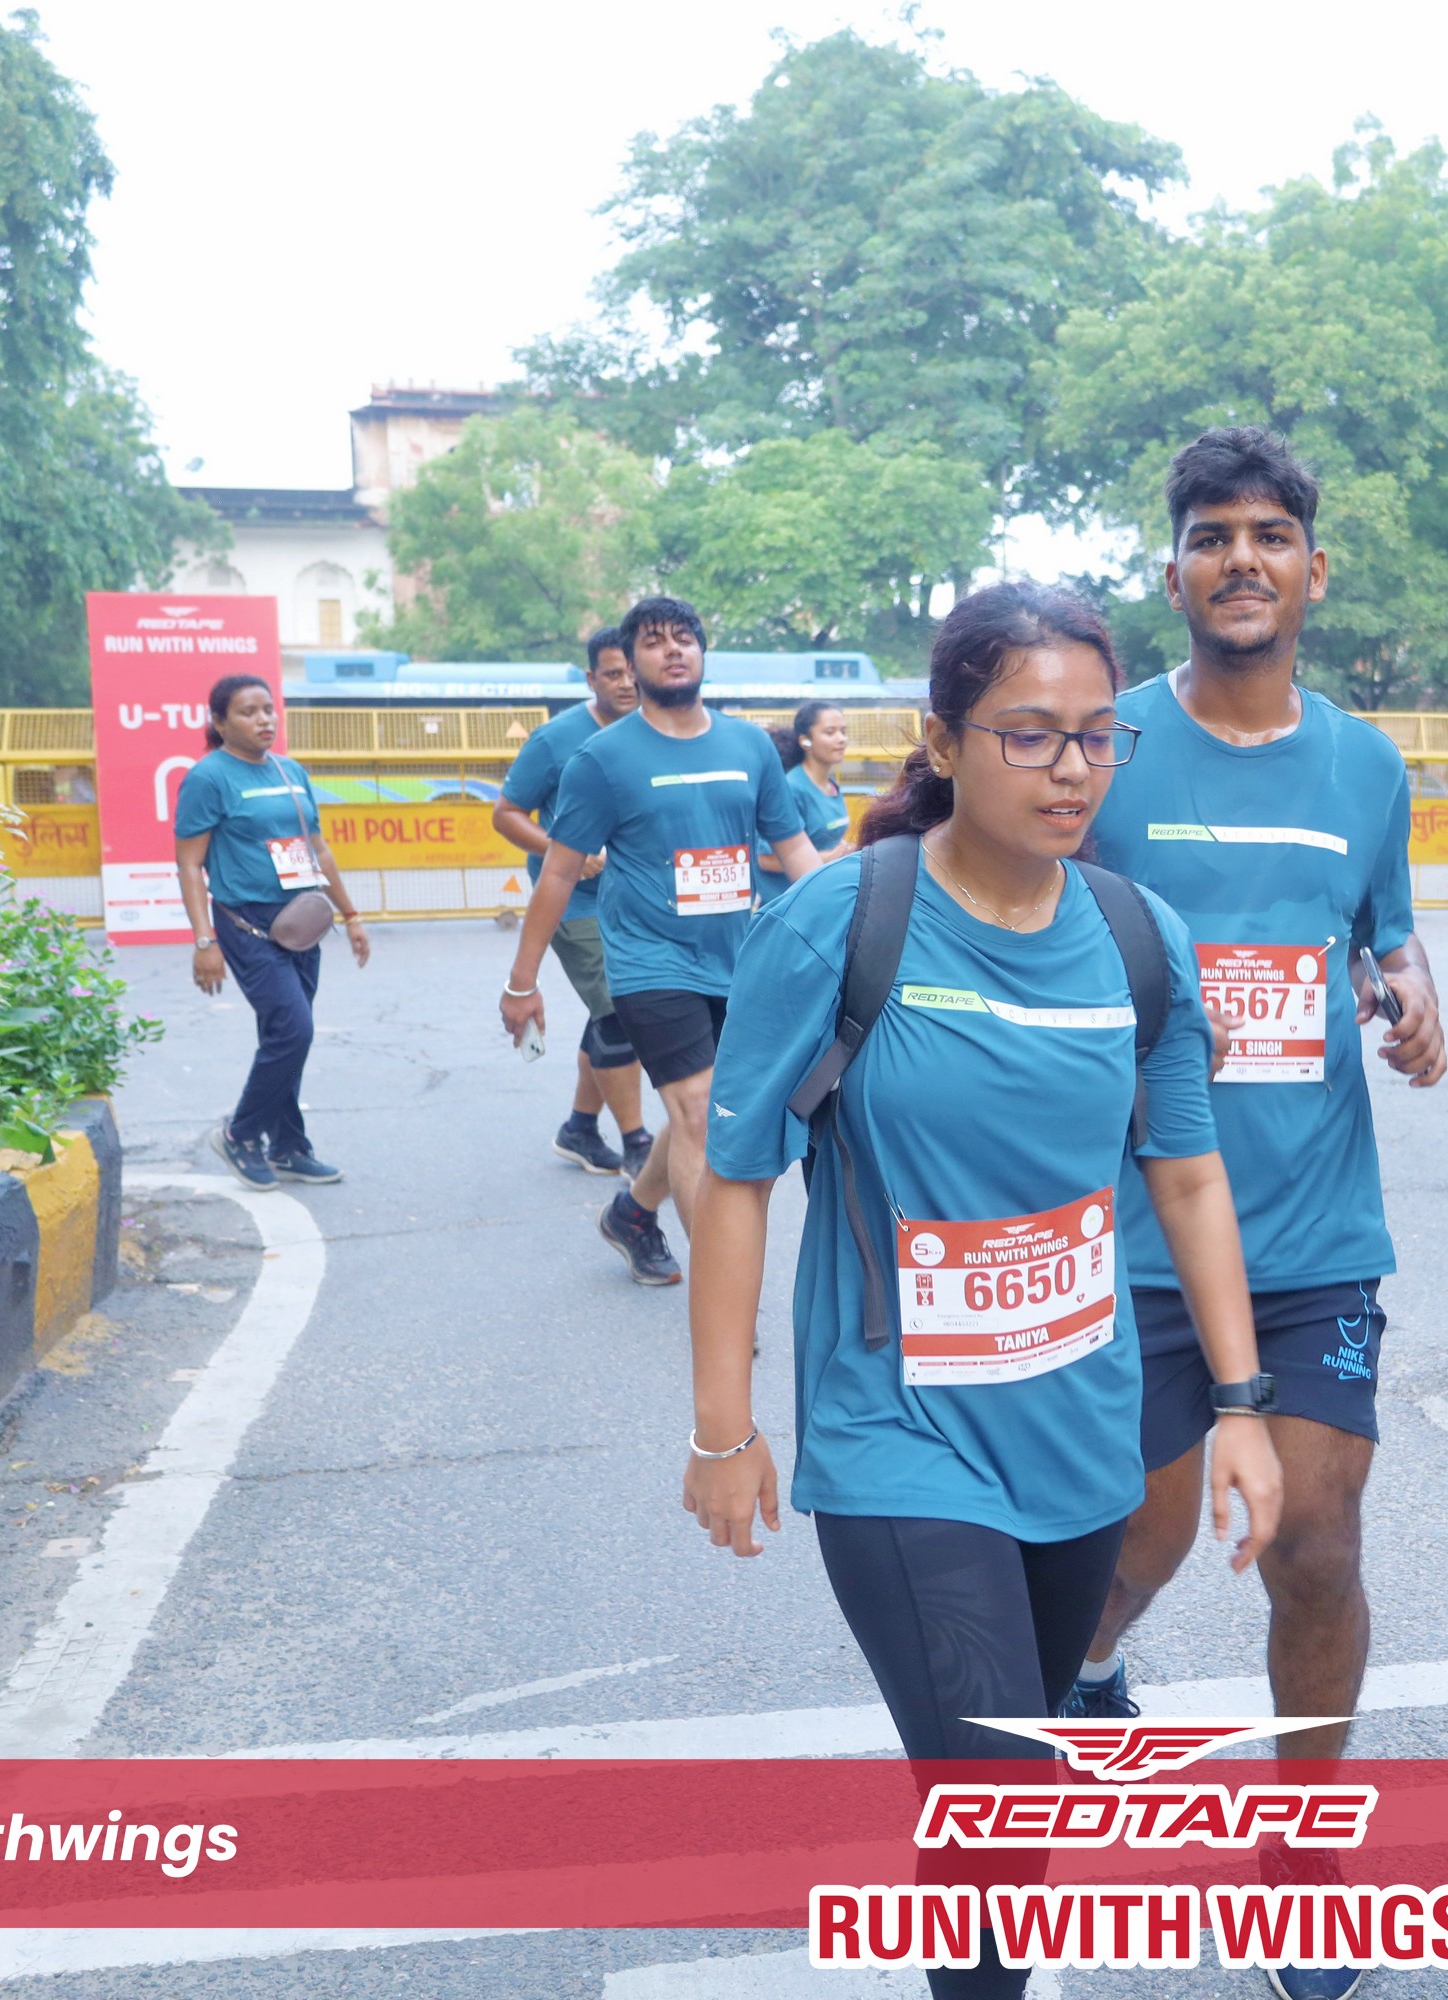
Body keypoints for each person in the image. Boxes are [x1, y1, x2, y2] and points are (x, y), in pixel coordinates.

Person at [685, 582, 1284, 2000]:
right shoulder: (843, 924)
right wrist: (723, 1427)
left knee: (1017, 1802)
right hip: (901, 1435)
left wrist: (1241, 1403)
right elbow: (737, 1175)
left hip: (1080, 1434)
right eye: (1029, 734)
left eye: (1097, 735)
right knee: (999, 1814)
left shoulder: (1137, 938)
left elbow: (1189, 1176)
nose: (1072, 768)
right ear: (946, 742)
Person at [498, 597, 820, 1286]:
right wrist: (521, 983)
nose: (672, 650)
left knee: (704, 1107)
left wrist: (848, 930)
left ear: (702, 653)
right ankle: (722, 1299)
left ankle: (633, 1213)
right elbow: (559, 873)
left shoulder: (749, 748)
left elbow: (795, 850)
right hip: (650, 962)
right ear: (631, 662)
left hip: (736, 960)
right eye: (653, 641)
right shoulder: (602, 759)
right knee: (699, 1111)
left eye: (684, 638)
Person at [174, 673, 370, 1189]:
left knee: (286, 1035)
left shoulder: (290, 771)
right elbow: (189, 865)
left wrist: (351, 915)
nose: (264, 719)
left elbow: (318, 847)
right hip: (248, 923)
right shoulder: (208, 778)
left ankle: (288, 1145)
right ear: (220, 723)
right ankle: (240, 1134)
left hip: (303, 920)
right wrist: (204, 941)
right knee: (294, 1029)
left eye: (268, 709)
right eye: (248, 712)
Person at [492, 627, 651, 1177]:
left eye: (632, 671)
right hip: (573, 903)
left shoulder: (653, 730)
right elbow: (506, 814)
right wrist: (564, 851)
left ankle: (580, 1128)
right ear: (591, 678)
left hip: (635, 902)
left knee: (615, 1012)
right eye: (612, 673)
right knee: (621, 1012)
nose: (626, 683)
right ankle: (637, 1142)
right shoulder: (555, 740)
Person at [756, 699, 855, 906]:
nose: (841, 739)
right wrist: (829, 857)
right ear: (805, 741)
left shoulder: (831, 784)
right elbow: (765, 858)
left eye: (843, 731)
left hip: (822, 896)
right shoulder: (792, 788)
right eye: (830, 732)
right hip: (790, 905)